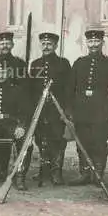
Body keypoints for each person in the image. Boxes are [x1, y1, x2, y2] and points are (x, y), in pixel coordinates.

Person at [68, 29, 108, 186]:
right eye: (90, 42)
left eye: (96, 41)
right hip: (81, 111)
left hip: (101, 111)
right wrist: (69, 111)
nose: (93, 44)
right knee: (82, 142)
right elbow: (70, 89)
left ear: (102, 43)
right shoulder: (79, 63)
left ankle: (98, 175)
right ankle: (85, 173)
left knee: (99, 142)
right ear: (87, 43)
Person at [29, 32, 71, 185]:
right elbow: (32, 88)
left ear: (55, 46)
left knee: (58, 139)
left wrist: (66, 110)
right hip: (40, 109)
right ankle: (44, 170)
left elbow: (69, 88)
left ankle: (56, 171)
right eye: (44, 44)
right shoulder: (35, 64)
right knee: (41, 139)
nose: (46, 47)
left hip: (56, 109)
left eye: (49, 44)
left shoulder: (63, 63)